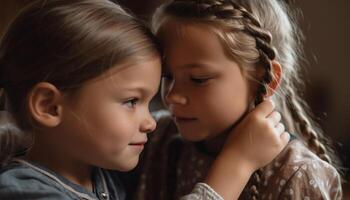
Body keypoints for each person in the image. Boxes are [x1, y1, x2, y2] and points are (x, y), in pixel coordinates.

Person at [0, 0, 289, 199]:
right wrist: (236, 164)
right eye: (131, 102)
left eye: (150, 102)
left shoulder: (102, 171)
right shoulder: (25, 192)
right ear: (49, 107)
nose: (151, 122)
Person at [132, 0, 343, 199]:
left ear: (266, 79)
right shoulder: (157, 138)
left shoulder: (297, 175)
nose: (172, 96)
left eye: (198, 79)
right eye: (166, 76)